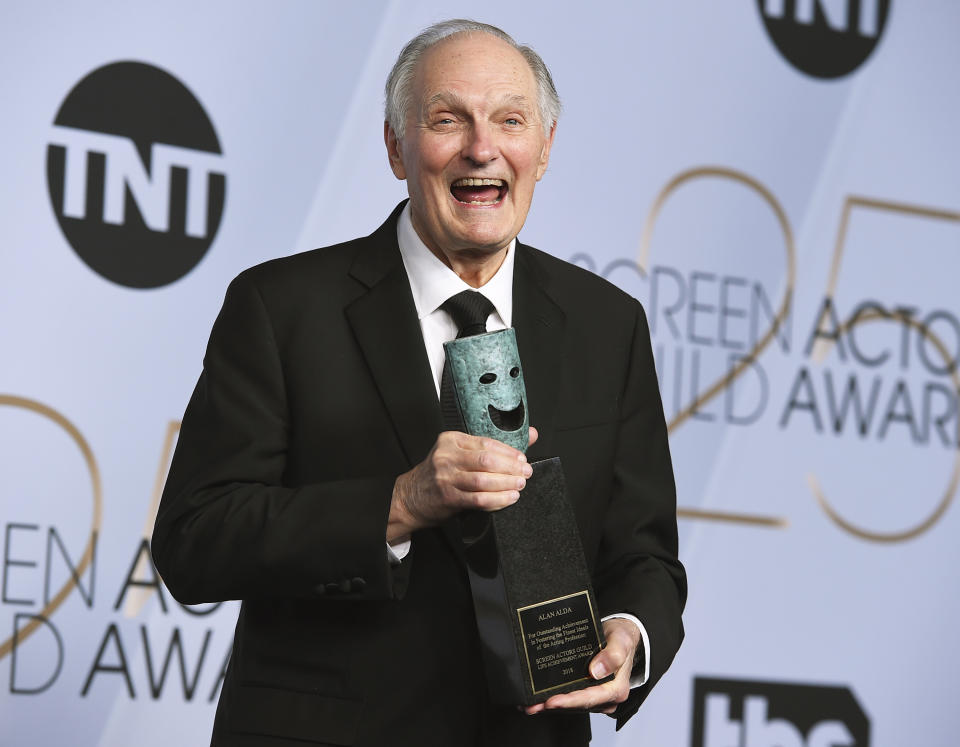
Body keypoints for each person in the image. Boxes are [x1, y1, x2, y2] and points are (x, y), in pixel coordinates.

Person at [152, 18, 686, 747]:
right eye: (447, 119)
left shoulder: (607, 323)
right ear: (396, 147)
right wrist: (402, 501)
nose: (481, 148)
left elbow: (644, 554)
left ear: (545, 148)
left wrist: (630, 634)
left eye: (510, 120)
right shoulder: (283, 307)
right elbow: (195, 539)